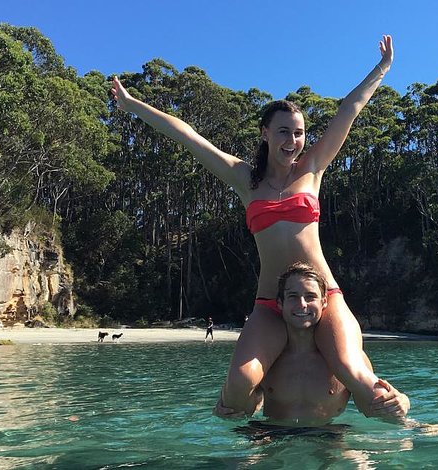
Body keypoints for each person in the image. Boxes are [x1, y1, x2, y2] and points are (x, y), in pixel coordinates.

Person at [111, 34, 402, 418]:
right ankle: (256, 432)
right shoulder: (245, 179)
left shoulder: (312, 169)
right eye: (284, 131)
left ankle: (410, 425)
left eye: (298, 133)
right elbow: (187, 136)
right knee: (236, 389)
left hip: (324, 295)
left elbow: (349, 109)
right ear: (265, 133)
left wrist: (380, 69)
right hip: (269, 302)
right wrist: (133, 105)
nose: (293, 140)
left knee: (354, 374)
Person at [218, 262, 438, 436]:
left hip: (329, 434)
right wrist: (224, 408)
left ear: (323, 302)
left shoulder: (346, 360)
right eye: (293, 297)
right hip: (271, 434)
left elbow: (374, 404)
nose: (302, 304)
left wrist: (404, 403)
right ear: (280, 304)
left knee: (362, 463)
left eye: (310, 297)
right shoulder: (266, 359)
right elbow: (245, 406)